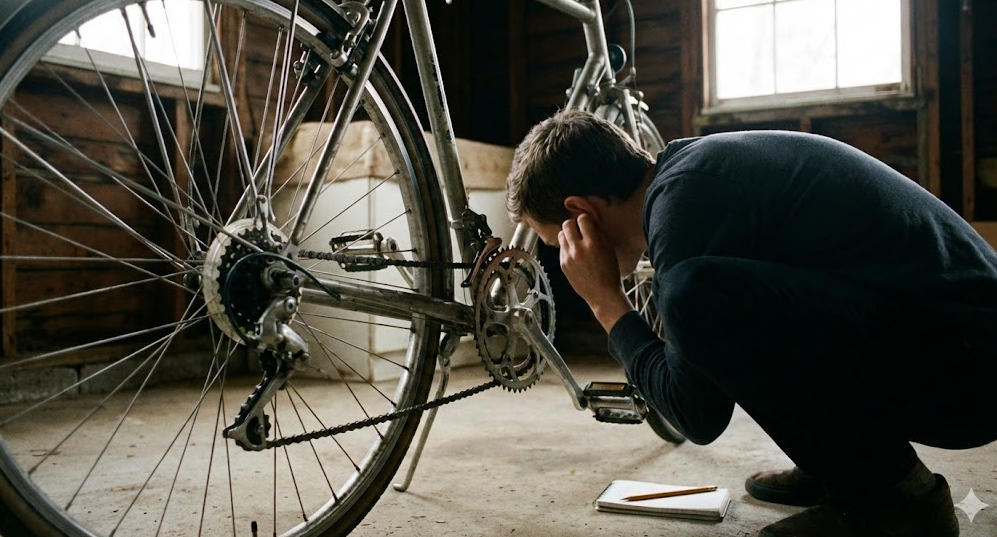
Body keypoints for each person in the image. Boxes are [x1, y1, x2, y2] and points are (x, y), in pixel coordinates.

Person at [505, 109, 997, 536]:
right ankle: (843, 467)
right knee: (705, 295)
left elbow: (695, 414)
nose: (564, 258)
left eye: (557, 243)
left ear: (580, 213)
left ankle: (896, 501)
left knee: (696, 294)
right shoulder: (693, 174)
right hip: (964, 349)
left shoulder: (684, 209)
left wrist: (606, 304)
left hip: (968, 375)